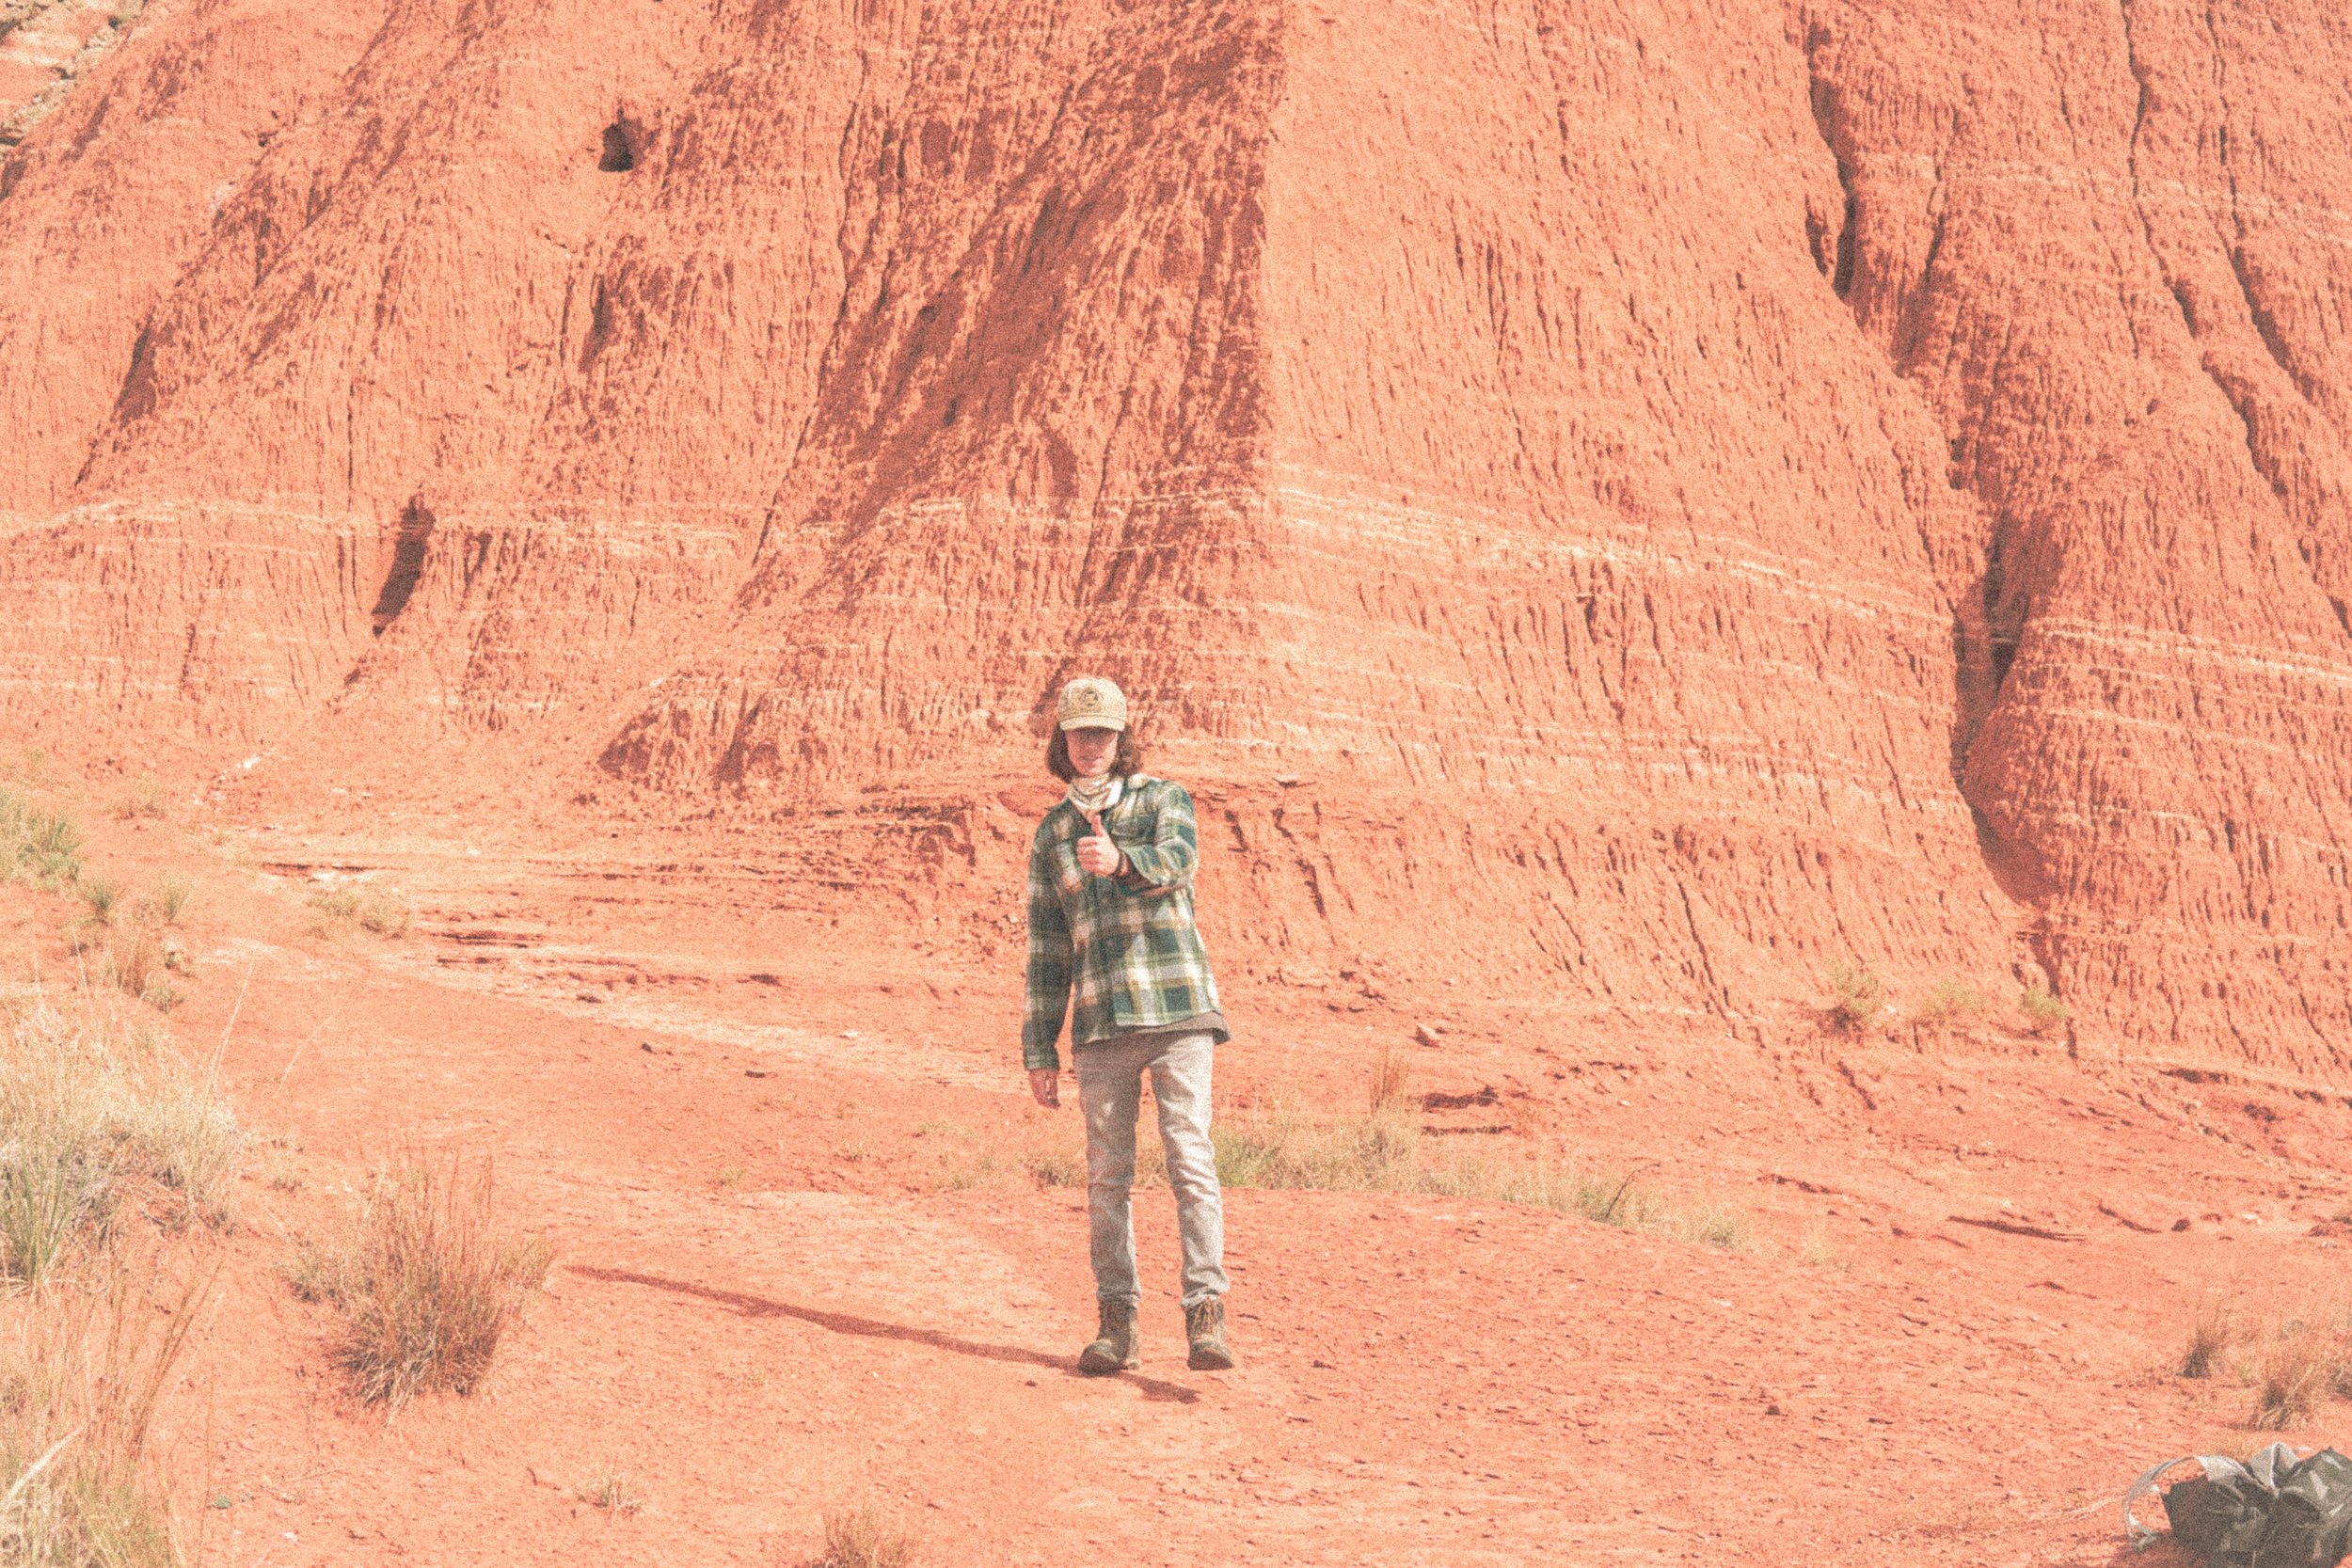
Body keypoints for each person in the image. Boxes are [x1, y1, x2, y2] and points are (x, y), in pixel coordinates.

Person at [1023, 675, 1234, 1374]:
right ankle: (1118, 1326)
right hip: (1102, 1024)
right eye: (1080, 733)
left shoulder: (1163, 799)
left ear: (1121, 737)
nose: (1091, 745)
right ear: (1063, 740)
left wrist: (1122, 862)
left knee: (1190, 1161)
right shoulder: (1052, 834)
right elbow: (1048, 949)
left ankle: (1206, 1318)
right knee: (1108, 1178)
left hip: (1178, 1011)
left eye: (1103, 733)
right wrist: (1038, 1047)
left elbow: (1178, 863)